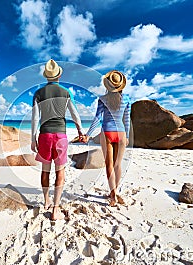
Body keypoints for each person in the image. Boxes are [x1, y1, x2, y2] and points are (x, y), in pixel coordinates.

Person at [31, 59, 85, 221]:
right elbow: (75, 114)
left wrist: (33, 139)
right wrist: (80, 130)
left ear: (46, 76)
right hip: (60, 136)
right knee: (60, 171)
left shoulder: (38, 94)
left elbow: (35, 118)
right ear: (59, 74)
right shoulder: (66, 92)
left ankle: (46, 201)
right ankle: (55, 208)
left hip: (45, 135)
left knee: (45, 170)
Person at [81, 70, 131, 207]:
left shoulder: (102, 99)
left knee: (109, 165)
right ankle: (115, 190)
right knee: (117, 165)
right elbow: (127, 120)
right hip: (120, 133)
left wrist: (88, 134)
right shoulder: (127, 99)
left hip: (107, 133)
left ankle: (113, 193)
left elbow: (98, 119)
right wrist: (126, 135)